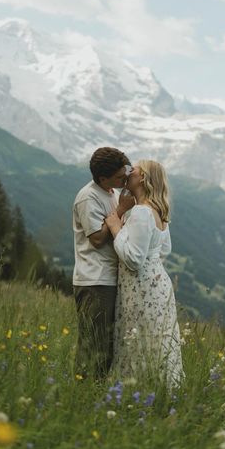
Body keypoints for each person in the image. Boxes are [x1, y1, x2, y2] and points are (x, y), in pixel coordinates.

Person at [105, 160, 184, 389]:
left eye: (134, 169)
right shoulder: (158, 210)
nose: (128, 172)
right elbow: (164, 249)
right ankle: (157, 391)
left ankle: (134, 391)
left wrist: (115, 228)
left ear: (143, 178)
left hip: (141, 286)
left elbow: (133, 259)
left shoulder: (141, 212)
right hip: (158, 285)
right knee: (155, 339)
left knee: (136, 339)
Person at [72, 147, 135, 379]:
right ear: (102, 178)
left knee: (107, 344)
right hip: (94, 280)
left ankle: (96, 392)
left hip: (108, 277)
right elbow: (97, 239)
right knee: (94, 344)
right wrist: (120, 210)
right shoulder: (88, 197)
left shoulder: (110, 191)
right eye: (119, 176)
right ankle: (84, 392)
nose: (124, 179)